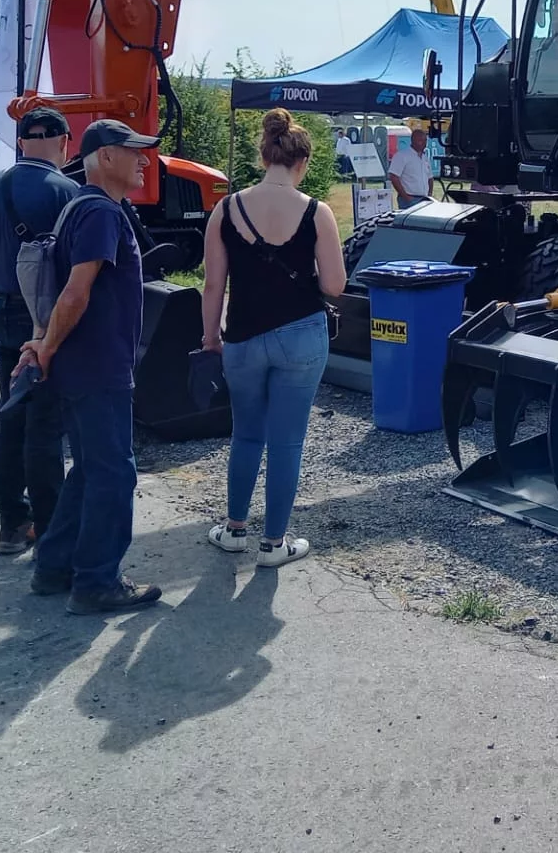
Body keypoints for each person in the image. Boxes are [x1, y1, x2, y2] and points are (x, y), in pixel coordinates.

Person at [21, 119, 164, 615]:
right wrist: (47, 347)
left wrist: (45, 345)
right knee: (113, 475)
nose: (145, 160)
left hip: (81, 368)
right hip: (98, 367)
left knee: (87, 470)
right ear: (105, 157)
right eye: (135, 151)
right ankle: (97, 582)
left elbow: (60, 289)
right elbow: (76, 291)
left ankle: (54, 567)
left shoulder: (80, 208)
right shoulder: (102, 213)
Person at [200, 108, 347, 570]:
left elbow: (212, 285)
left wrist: (210, 339)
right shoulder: (317, 212)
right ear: (302, 163)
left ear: (263, 156)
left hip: (242, 336)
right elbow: (335, 286)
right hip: (301, 334)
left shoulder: (225, 209)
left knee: (246, 436)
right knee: (287, 442)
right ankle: (274, 543)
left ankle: (235, 529)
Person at [0, 109, 76, 556]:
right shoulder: (66, 191)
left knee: (10, 420)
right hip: (46, 322)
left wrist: (3, 294)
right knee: (45, 427)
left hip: (4, 314)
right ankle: (50, 535)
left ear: (22, 141)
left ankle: (13, 525)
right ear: (63, 141)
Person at [388, 125, 433, 208]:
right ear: (413, 140)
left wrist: (430, 194)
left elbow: (430, 178)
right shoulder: (402, 156)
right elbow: (394, 177)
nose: (424, 143)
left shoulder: (425, 157)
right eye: (420, 140)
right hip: (409, 199)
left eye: (425, 141)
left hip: (425, 199)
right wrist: (406, 197)